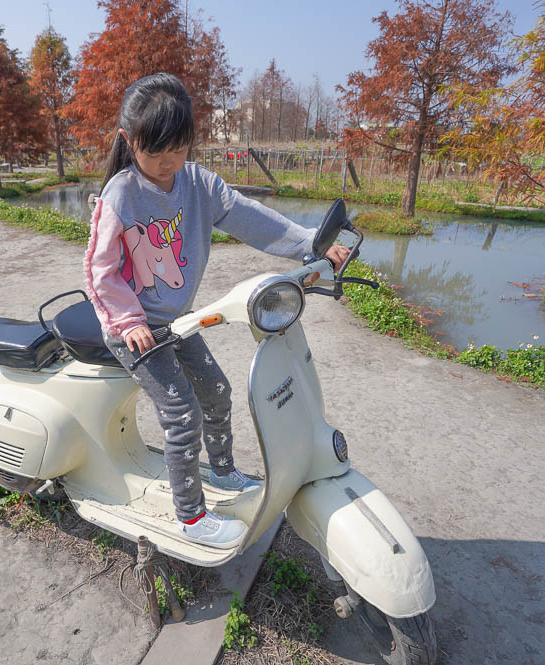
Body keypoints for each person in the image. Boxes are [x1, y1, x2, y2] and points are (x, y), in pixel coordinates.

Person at [84, 73, 349, 548]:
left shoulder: (197, 184)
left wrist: (311, 245)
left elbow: (250, 216)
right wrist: (129, 323)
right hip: (134, 329)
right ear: (128, 141)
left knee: (218, 390)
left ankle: (223, 472)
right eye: (154, 151)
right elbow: (101, 272)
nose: (167, 163)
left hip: (176, 323)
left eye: (178, 149)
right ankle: (190, 517)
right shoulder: (119, 196)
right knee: (182, 408)